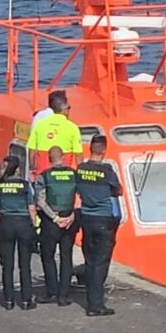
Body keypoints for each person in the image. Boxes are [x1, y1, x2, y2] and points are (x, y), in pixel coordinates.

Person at [75, 135, 122, 317]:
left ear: (90, 149)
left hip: (86, 218)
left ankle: (91, 297)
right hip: (104, 219)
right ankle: (95, 304)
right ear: (104, 150)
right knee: (101, 262)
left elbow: (79, 189)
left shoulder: (80, 169)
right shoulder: (107, 171)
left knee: (90, 258)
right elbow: (118, 190)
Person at [0, 155, 39, 310]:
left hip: (6, 224)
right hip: (23, 224)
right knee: (24, 265)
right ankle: (26, 300)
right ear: (18, 169)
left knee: (8, 265)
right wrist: (34, 225)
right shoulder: (25, 186)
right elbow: (31, 207)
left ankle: (9, 300)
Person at [35, 146, 78, 306]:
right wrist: (72, 216)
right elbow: (80, 196)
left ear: (49, 157)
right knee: (66, 257)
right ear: (64, 156)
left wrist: (55, 218)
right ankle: (64, 295)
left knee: (48, 256)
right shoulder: (73, 174)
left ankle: (51, 292)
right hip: (70, 221)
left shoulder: (44, 176)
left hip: (50, 222)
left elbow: (40, 200)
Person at [27, 92, 83, 178]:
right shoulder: (72, 128)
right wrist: (81, 174)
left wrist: (32, 168)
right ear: (63, 110)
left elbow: (32, 151)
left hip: (42, 174)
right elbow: (78, 156)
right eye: (69, 108)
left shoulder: (39, 125)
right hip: (64, 176)